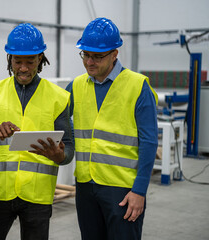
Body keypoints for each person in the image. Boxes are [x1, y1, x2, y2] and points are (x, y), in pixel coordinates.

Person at [0, 23, 74, 240]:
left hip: (37, 196)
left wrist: (60, 156)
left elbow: (69, 149)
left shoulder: (58, 97)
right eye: (18, 61)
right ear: (10, 60)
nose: (23, 68)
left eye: (30, 61)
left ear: (40, 59)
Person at [66, 18, 158, 240]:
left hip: (122, 188)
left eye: (97, 56)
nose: (90, 62)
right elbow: (54, 117)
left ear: (114, 54)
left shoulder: (137, 86)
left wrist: (139, 191)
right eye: (85, 55)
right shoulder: (77, 86)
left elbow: (149, 141)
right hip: (86, 186)